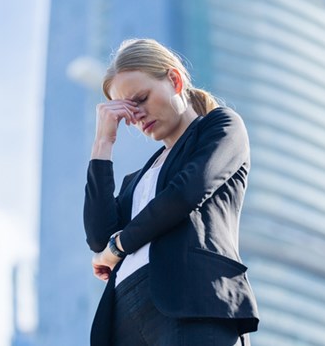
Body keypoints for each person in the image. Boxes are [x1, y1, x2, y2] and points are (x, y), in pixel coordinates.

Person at [84, 38, 259, 346]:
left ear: (175, 80)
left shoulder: (221, 127)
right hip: (125, 318)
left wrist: (119, 246)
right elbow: (99, 238)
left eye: (141, 99)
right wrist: (103, 143)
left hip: (191, 302)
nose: (136, 116)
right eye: (127, 110)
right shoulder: (136, 180)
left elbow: (185, 194)